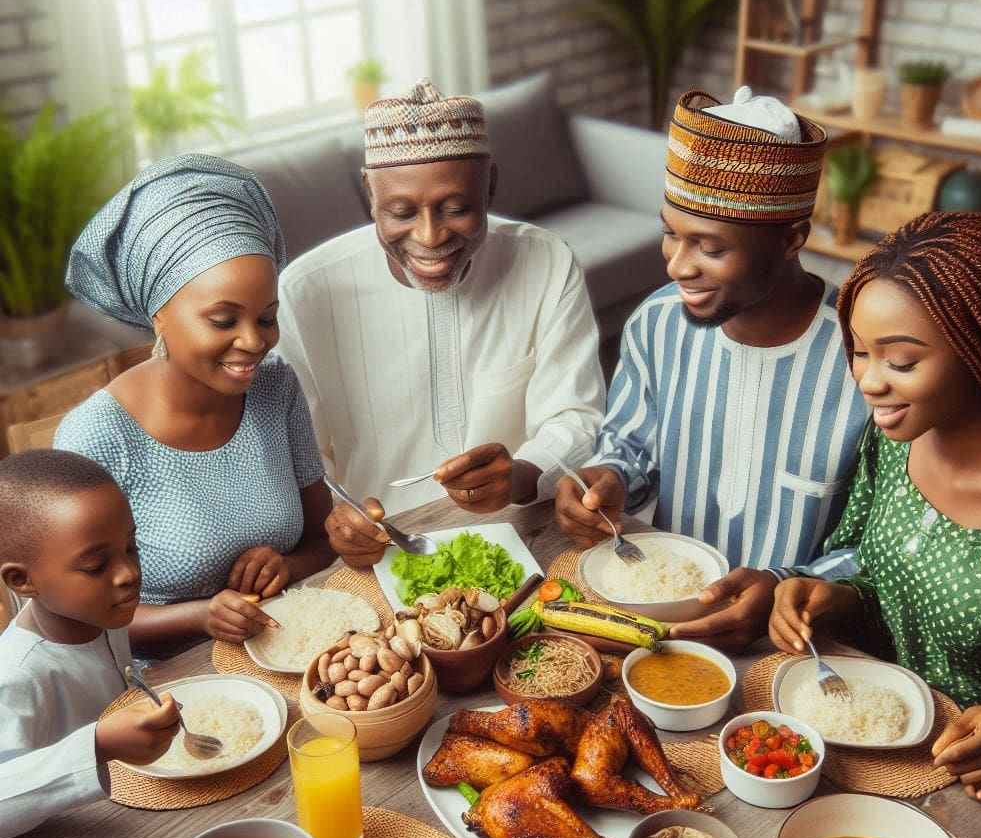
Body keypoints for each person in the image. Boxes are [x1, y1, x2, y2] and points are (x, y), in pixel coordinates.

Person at [554, 87, 870, 649]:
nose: (677, 265)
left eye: (710, 247)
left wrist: (785, 587)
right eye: (670, 233)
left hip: (799, 647)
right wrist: (606, 480)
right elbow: (628, 449)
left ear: (791, 238)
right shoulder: (655, 324)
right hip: (662, 619)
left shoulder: (865, 356)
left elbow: (878, 549)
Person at [275, 78, 605, 568]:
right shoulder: (305, 291)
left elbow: (575, 415)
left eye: (456, 208)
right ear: (370, 191)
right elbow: (303, 455)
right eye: (402, 212)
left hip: (520, 532)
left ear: (489, 185)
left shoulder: (547, 261)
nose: (430, 237)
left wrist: (519, 473)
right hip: (377, 553)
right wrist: (337, 518)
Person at [769, 211, 981, 802]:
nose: (869, 381)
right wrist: (842, 597)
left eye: (902, 361)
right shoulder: (892, 440)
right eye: (858, 352)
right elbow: (873, 567)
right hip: (874, 753)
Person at [55, 154, 335, 659]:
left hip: (291, 652)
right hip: (173, 688)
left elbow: (322, 537)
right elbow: (78, 622)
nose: (254, 342)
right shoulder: (96, 437)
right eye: (224, 320)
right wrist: (199, 614)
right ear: (158, 314)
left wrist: (287, 567)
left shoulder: (276, 388)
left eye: (266, 318)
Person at [0, 450, 181, 838]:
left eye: (131, 548)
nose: (128, 573)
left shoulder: (99, 616)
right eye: (95, 565)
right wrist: (98, 744)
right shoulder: (19, 675)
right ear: (21, 581)